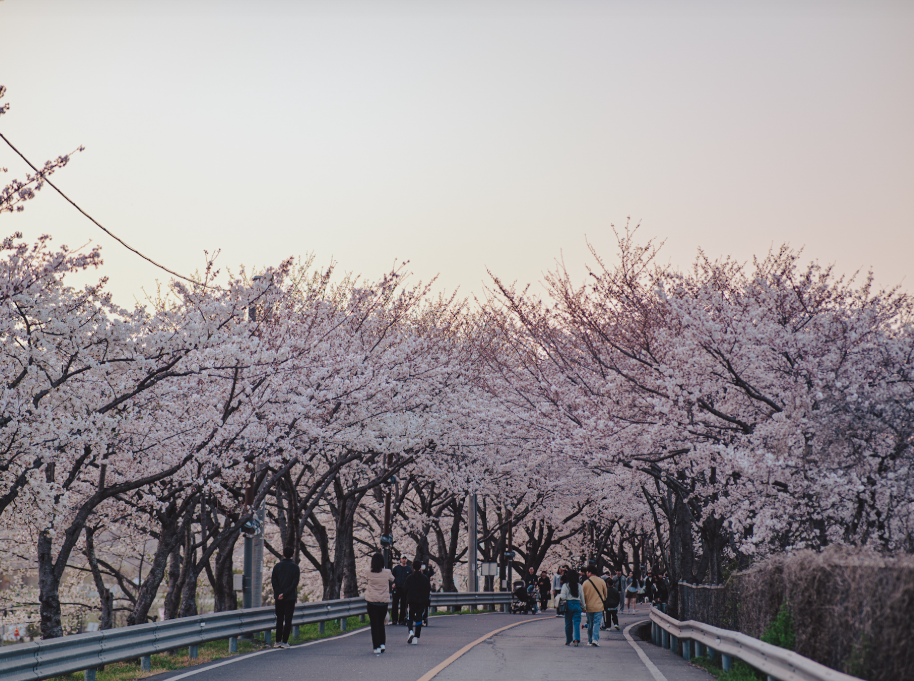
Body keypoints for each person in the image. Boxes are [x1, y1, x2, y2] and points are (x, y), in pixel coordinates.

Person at [270, 546, 300, 649]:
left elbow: (274, 581)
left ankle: (277, 641)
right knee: (288, 619)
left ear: (283, 554)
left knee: (279, 619)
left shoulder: (277, 566)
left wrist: (279, 593)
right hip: (290, 598)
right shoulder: (295, 567)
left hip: (279, 598)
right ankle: (285, 642)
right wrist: (286, 594)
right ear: (292, 555)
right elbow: (294, 584)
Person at [364, 552, 394, 654]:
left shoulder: (368, 572)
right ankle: (382, 644)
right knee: (381, 623)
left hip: (372, 602)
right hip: (383, 602)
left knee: (374, 624)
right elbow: (392, 579)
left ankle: (376, 647)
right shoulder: (387, 572)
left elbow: (366, 576)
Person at [404, 558, 431, 645]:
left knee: (410, 617)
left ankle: (411, 631)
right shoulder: (425, 578)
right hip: (421, 601)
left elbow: (405, 590)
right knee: (419, 617)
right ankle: (416, 637)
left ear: (412, 567)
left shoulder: (409, 578)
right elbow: (428, 590)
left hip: (411, 601)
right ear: (420, 567)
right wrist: (427, 602)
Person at [581, 563, 607, 646]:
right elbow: (605, 594)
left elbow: (582, 596)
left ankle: (589, 640)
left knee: (590, 624)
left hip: (589, 607)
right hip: (599, 606)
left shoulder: (585, 583)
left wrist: (583, 606)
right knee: (597, 623)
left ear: (589, 572)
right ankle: (595, 639)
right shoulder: (602, 581)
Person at [559, 568, 583, 646]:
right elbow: (582, 597)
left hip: (568, 604)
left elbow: (562, 597)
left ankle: (568, 640)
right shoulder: (579, 586)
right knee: (576, 623)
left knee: (568, 623)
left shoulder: (565, 586)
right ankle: (576, 639)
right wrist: (584, 606)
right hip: (577, 604)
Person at [391, 555, 412, 625]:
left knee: (404, 604)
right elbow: (391, 577)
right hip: (396, 588)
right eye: (403, 558)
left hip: (405, 589)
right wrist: (393, 583)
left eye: (405, 558)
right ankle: (394, 619)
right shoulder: (396, 568)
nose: (404, 560)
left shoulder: (409, 569)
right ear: (400, 559)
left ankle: (402, 619)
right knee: (395, 604)